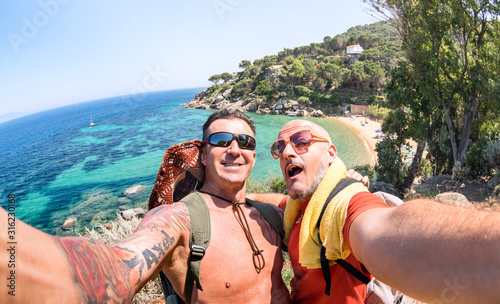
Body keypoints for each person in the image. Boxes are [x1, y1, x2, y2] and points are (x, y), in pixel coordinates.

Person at [0, 109, 291, 303]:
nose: (234, 149)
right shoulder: (178, 220)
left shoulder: (268, 213)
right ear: (203, 155)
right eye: (220, 140)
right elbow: (115, 267)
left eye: (244, 141)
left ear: (253, 155)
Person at [250, 119, 500, 304]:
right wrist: (240, 196)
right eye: (279, 147)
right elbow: (278, 200)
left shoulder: (346, 205)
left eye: (301, 141)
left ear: (331, 154)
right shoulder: (299, 207)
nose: (286, 152)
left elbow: (384, 229)